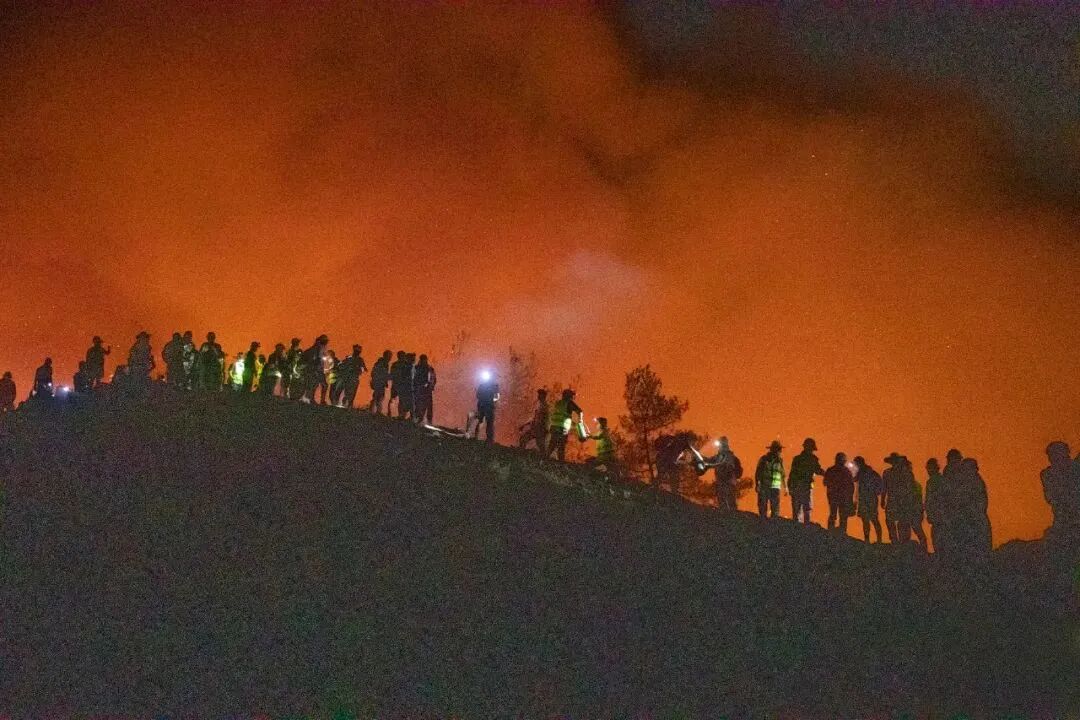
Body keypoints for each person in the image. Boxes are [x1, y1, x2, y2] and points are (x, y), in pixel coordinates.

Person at [953, 457, 992, 559]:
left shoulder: (974, 483)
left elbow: (978, 504)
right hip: (972, 521)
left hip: (975, 522)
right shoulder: (972, 482)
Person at [1042, 441, 1080, 540]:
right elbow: (1052, 498)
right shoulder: (1048, 474)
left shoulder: (1075, 469)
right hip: (1063, 522)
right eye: (1053, 456)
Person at [788, 438, 824, 524]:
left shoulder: (797, 459)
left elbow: (792, 474)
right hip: (806, 487)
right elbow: (818, 470)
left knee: (796, 510)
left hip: (796, 486)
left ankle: (796, 527)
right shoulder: (813, 459)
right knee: (806, 509)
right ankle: (805, 528)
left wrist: (790, 487)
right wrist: (829, 474)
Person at [882, 452, 916, 543]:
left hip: (900, 501)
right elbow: (884, 487)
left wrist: (883, 499)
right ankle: (897, 540)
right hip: (898, 501)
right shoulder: (904, 473)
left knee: (899, 522)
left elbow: (911, 488)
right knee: (894, 521)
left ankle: (899, 541)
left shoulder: (889, 473)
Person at [853, 456, 883, 543]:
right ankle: (877, 540)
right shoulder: (871, 473)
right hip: (869, 499)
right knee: (872, 519)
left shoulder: (864, 473)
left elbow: (854, 481)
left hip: (867, 499)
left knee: (869, 520)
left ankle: (870, 540)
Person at [548, 389, 583, 462]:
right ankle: (561, 463)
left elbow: (561, 415)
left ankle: (544, 459)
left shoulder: (558, 403)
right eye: (571, 396)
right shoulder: (569, 403)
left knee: (552, 444)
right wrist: (580, 421)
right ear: (568, 396)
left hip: (554, 426)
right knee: (561, 446)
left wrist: (572, 423)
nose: (572, 397)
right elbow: (579, 411)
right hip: (563, 428)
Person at [709, 437, 743, 511]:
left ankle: (728, 515)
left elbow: (708, 462)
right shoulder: (733, 458)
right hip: (728, 482)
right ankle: (732, 516)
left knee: (724, 501)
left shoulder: (718, 457)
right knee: (730, 502)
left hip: (724, 482)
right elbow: (739, 472)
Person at [823, 452, 855, 533]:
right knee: (843, 516)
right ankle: (842, 533)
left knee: (833, 514)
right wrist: (850, 498)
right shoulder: (847, 471)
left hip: (832, 496)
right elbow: (851, 486)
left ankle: (830, 532)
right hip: (843, 497)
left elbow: (825, 482)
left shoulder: (830, 470)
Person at [754, 440, 785, 519]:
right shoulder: (764, 459)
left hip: (775, 488)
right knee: (763, 508)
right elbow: (758, 472)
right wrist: (757, 484)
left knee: (775, 509)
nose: (780, 451)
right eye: (778, 449)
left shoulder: (780, 461)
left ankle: (772, 522)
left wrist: (785, 487)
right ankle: (763, 522)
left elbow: (782, 474)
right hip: (765, 486)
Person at [924, 458, 948, 554]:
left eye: (930, 468)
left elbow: (930, 499)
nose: (928, 471)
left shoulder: (934, 481)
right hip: (940, 514)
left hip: (939, 514)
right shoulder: (941, 480)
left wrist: (930, 512)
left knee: (938, 536)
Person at [518, 389, 550, 454]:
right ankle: (521, 453)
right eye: (538, 394)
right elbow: (535, 419)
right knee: (524, 439)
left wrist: (544, 429)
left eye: (540, 394)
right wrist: (525, 425)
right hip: (536, 428)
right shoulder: (540, 405)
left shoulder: (544, 406)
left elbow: (544, 419)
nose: (538, 396)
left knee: (539, 445)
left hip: (539, 429)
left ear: (543, 396)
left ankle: (521, 454)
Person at [475, 370, 500, 443]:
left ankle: (486, 438)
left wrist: (490, 400)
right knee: (485, 422)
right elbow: (478, 395)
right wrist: (491, 400)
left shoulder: (491, 386)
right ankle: (487, 439)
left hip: (485, 406)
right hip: (485, 406)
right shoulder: (485, 386)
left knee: (485, 422)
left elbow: (497, 396)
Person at [412, 354, 435, 423]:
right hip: (422, 390)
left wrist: (430, 386)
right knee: (422, 405)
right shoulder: (426, 368)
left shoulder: (426, 368)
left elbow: (432, 379)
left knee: (424, 405)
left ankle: (423, 419)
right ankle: (421, 419)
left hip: (424, 390)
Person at [388, 351, 407, 415]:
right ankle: (391, 413)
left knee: (400, 400)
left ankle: (400, 414)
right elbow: (392, 375)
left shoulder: (397, 364)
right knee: (395, 399)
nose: (402, 357)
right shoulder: (397, 364)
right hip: (398, 385)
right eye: (401, 356)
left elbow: (391, 375)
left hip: (400, 385)